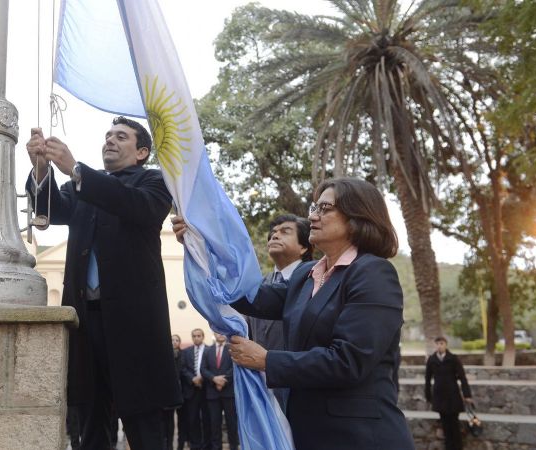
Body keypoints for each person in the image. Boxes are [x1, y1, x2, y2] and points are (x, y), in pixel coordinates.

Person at [173, 177, 415, 450]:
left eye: (325, 208)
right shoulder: (305, 275)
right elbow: (248, 297)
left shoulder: (373, 272)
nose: (313, 216)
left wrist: (267, 360)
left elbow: (350, 360)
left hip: (360, 436)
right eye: (314, 207)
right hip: (306, 432)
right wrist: (202, 248)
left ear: (356, 216)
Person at [25, 116, 181, 450]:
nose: (109, 140)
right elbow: (47, 213)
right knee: (92, 422)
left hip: (134, 323)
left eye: (120, 136)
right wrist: (41, 170)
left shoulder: (152, 182)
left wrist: (76, 169)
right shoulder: (83, 187)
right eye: (107, 135)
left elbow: (136, 207)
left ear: (141, 152)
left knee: (144, 424)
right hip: (85, 319)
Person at [246, 214, 312, 413]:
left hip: (299, 390)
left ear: (304, 247)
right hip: (261, 388)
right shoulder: (258, 287)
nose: (274, 236)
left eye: (285, 232)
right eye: (273, 232)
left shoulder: (315, 281)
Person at [425, 336, 473, 450]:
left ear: (446, 344)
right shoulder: (431, 360)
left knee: (454, 424)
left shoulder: (453, 359)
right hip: (440, 396)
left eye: (441, 343)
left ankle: (458, 447)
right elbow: (427, 380)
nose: (439, 346)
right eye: (437, 344)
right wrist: (428, 397)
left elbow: (462, 377)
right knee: (445, 425)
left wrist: (467, 395)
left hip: (453, 395)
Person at [200, 333, 238, 450]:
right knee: (214, 425)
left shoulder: (231, 349)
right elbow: (203, 369)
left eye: (222, 332)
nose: (220, 334)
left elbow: (235, 367)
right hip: (213, 394)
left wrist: (224, 380)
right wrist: (214, 379)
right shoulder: (207, 351)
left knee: (232, 424)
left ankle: (234, 447)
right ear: (213, 334)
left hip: (229, 394)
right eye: (217, 332)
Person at [179, 329, 211, 450]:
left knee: (207, 419)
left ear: (203, 337)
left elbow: (211, 367)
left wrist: (202, 377)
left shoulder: (209, 350)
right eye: (194, 336)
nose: (196, 338)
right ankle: (195, 445)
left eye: (198, 336)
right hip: (191, 390)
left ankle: (207, 444)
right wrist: (193, 379)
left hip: (206, 389)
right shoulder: (186, 352)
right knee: (192, 419)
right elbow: (183, 368)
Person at [164, 334, 184, 450]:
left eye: (177, 340)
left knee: (180, 423)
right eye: (172, 340)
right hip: (168, 395)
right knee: (167, 422)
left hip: (183, 394)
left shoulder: (183, 355)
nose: (174, 342)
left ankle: (178, 445)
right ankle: (167, 446)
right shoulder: (165, 356)